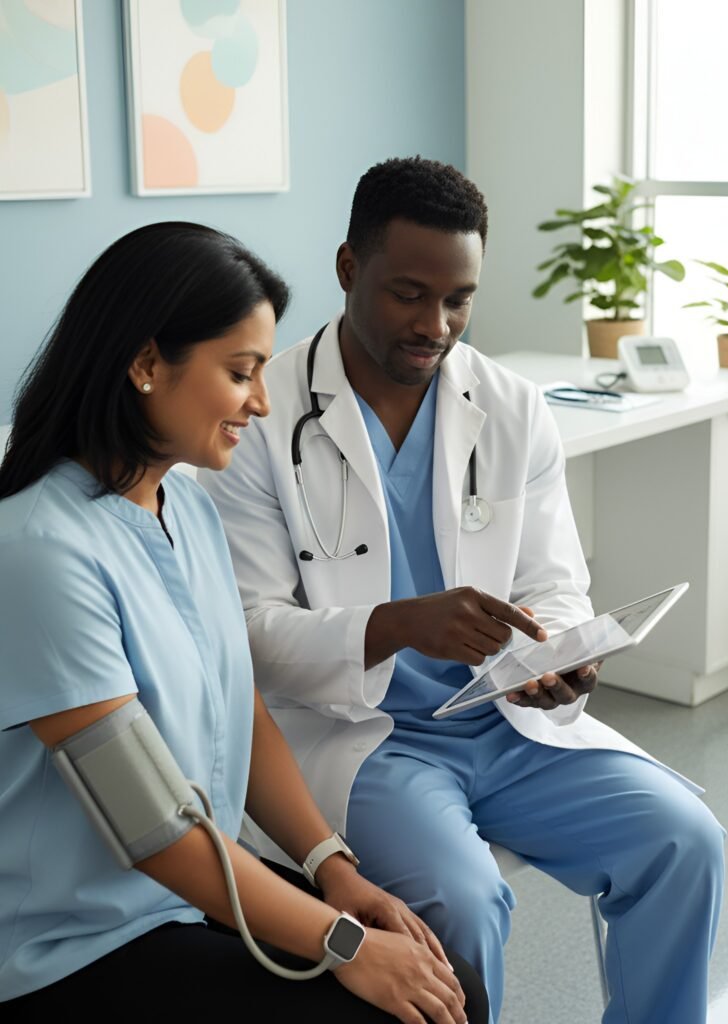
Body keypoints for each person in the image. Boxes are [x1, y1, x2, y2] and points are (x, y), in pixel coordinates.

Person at [200, 158, 725, 1024]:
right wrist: (398, 626)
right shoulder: (263, 415)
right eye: (409, 294)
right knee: (462, 903)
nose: (435, 325)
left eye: (459, 299)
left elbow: (552, 578)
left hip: (506, 722)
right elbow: (250, 633)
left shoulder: (511, 406)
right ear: (347, 268)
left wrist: (557, 654)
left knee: (683, 842)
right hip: (365, 740)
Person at [0, 222, 487, 1024]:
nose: (262, 403)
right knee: (387, 1009)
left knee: (445, 974)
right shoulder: (40, 554)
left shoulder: (185, 503)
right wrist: (343, 944)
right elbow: (154, 830)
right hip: (79, 942)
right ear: (147, 364)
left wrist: (333, 869)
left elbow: (242, 713)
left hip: (195, 898)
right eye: (240, 373)